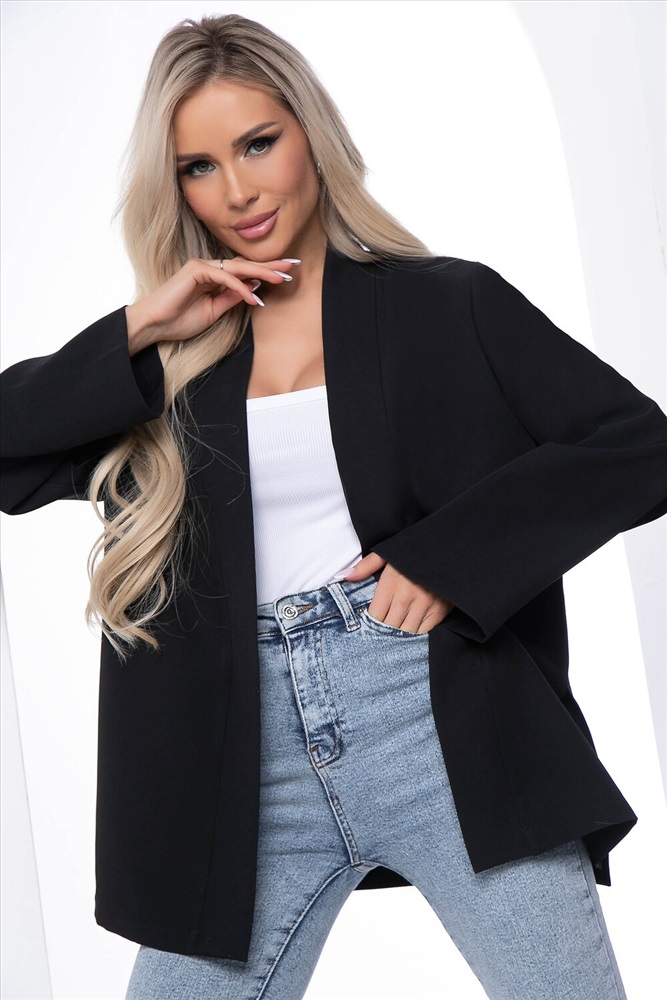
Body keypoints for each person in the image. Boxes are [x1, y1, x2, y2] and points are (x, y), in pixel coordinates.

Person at [2, 12, 666, 1000]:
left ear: (309, 131)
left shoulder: (446, 304)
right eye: (198, 167)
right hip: (239, 766)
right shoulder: (169, 369)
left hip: (437, 721)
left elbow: (637, 444)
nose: (237, 191)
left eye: (257, 143)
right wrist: (141, 326)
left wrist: (449, 559)